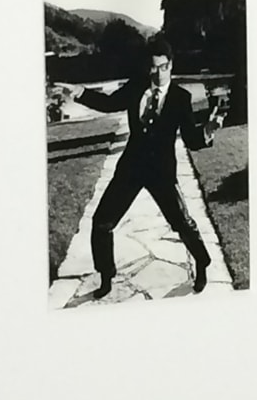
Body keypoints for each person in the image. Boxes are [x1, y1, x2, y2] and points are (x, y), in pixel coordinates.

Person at [57, 35, 225, 299]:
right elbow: (109, 103)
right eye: (153, 67)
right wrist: (80, 93)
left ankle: (202, 262)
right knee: (101, 223)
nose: (158, 74)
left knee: (183, 223)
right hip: (131, 169)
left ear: (171, 64)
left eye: (163, 67)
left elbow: (192, 140)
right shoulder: (136, 86)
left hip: (162, 173)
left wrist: (208, 130)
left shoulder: (180, 98)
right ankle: (106, 276)